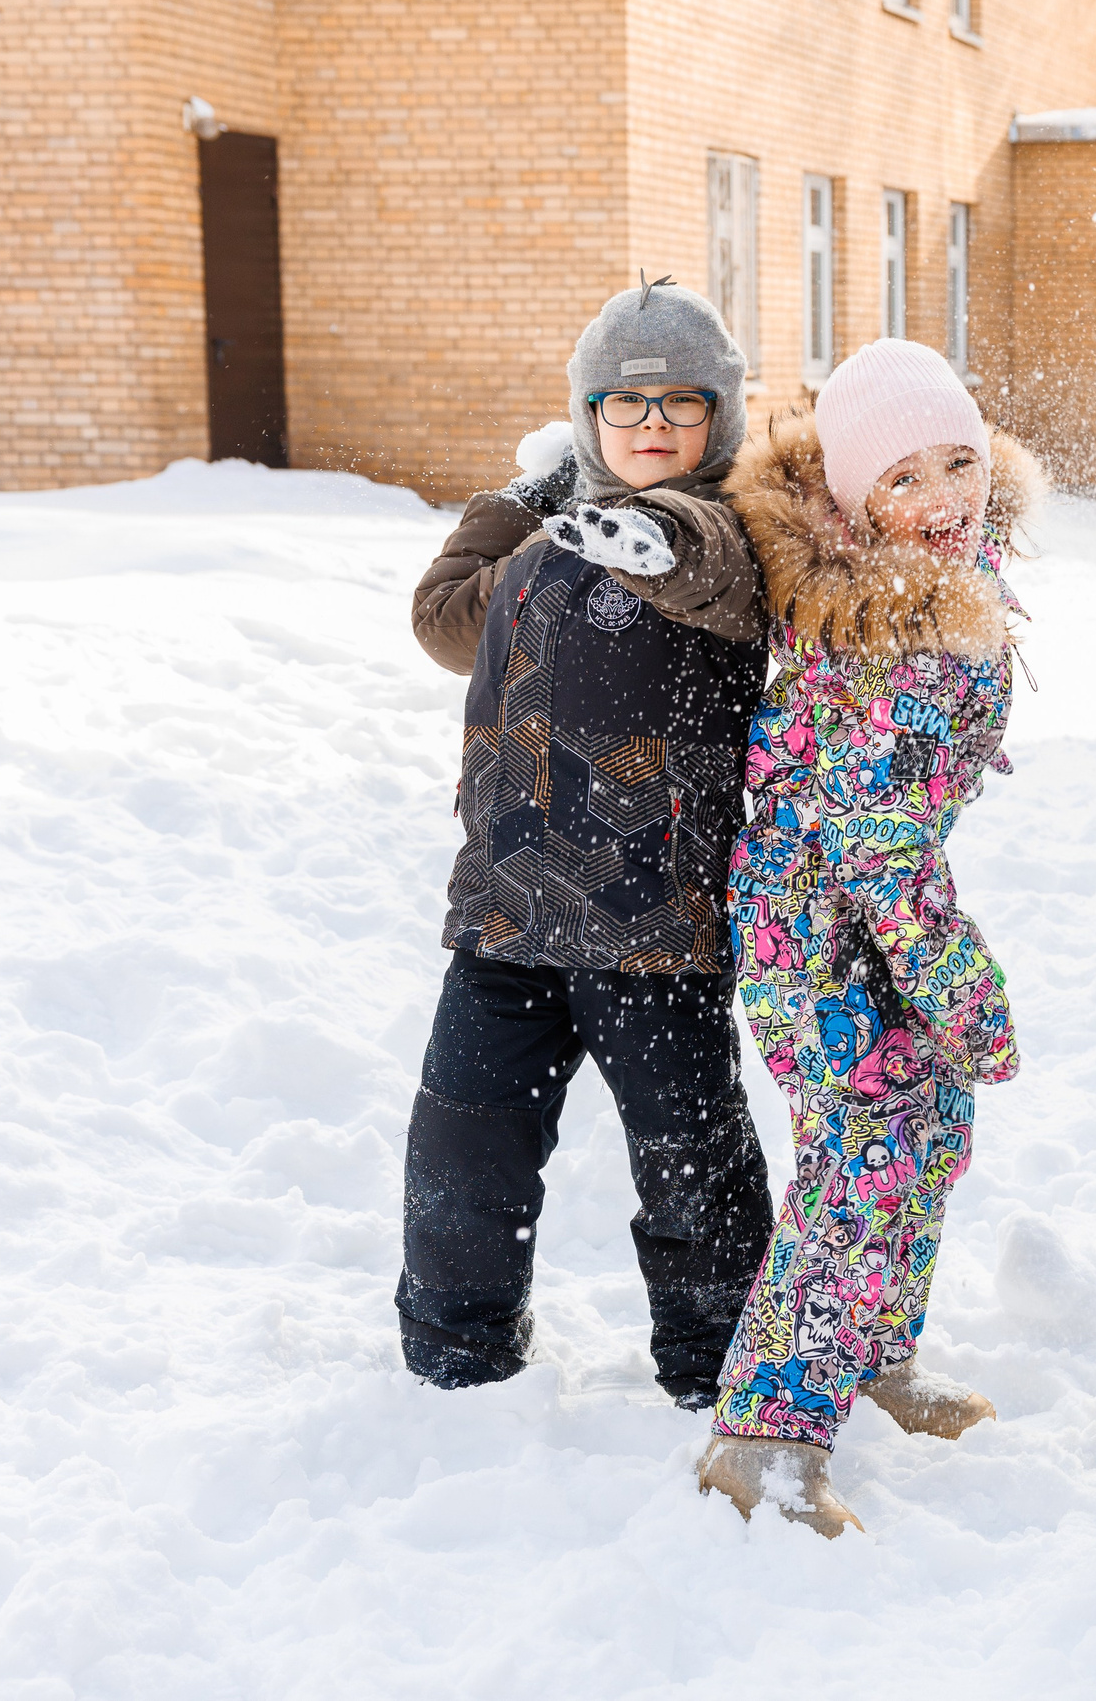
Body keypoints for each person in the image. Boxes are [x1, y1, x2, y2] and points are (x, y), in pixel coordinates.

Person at [394, 279, 772, 1406]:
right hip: (507, 912)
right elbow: (439, 615)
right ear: (586, 416)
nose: (652, 422)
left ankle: (720, 1362)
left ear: (723, 418)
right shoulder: (544, 540)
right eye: (622, 402)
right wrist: (528, 499)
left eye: (681, 402)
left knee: (689, 1159)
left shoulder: (728, 537)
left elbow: (691, 558)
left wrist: (630, 524)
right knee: (462, 1146)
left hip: (652, 921)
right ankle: (456, 1351)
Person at [696, 338, 1043, 1537]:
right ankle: (764, 1434)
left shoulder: (939, 575)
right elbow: (874, 846)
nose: (942, 498)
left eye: (958, 461)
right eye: (904, 478)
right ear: (852, 498)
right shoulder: (888, 628)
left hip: (866, 919)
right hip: (818, 935)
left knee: (928, 1128)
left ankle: (874, 1350)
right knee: (863, 1156)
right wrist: (958, 984)